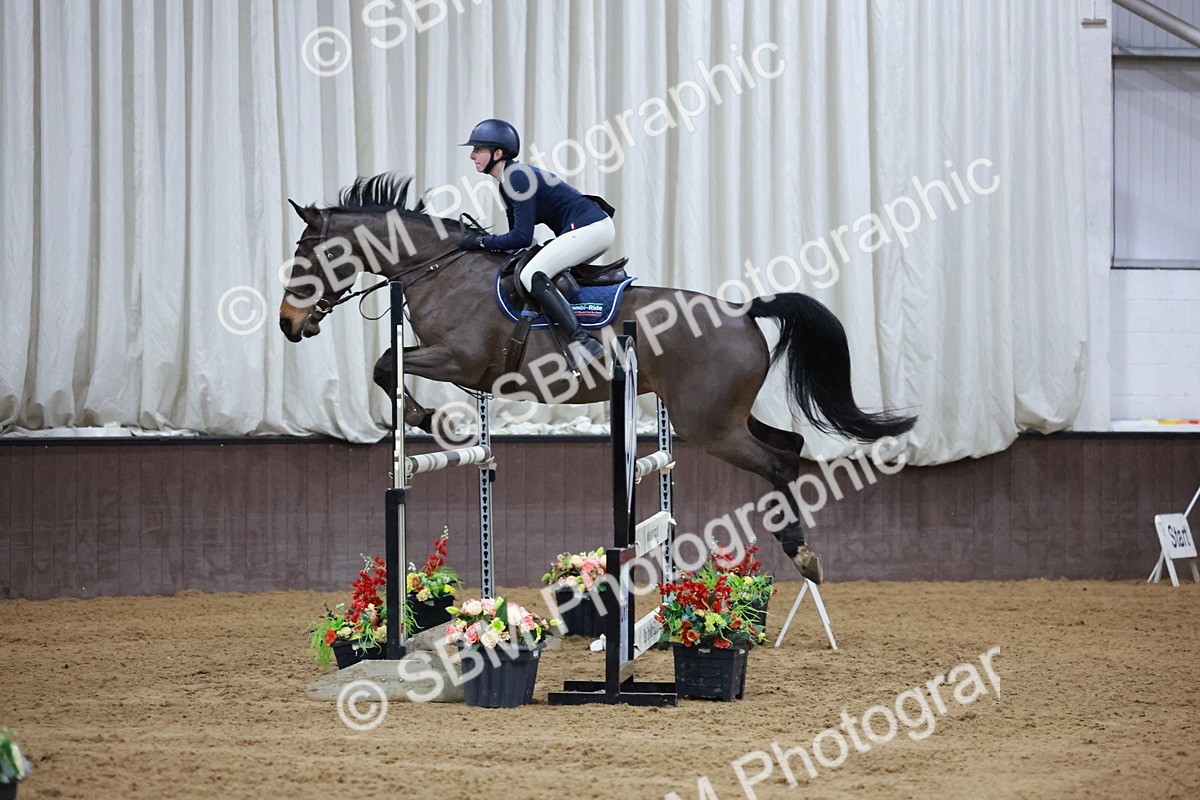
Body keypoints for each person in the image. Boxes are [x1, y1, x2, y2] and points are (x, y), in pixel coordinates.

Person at [458, 119, 614, 365]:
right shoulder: (507, 183)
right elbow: (515, 243)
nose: (472, 155)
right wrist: (481, 244)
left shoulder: (517, 177)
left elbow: (522, 237)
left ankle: (582, 342)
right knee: (533, 271)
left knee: (532, 274)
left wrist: (480, 242)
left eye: (478, 149)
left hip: (591, 228)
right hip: (590, 228)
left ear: (498, 153)